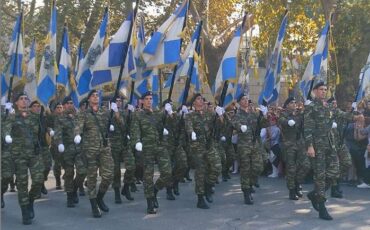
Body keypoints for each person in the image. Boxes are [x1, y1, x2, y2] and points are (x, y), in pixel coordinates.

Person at [304, 81, 363, 220]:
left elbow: (342, 114)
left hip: (330, 145)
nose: (324, 92)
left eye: (325, 89)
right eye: (321, 89)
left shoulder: (329, 106)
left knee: (334, 172)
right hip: (317, 147)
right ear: (315, 91)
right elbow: (307, 128)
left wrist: (355, 117)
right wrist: (310, 146)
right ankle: (322, 207)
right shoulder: (311, 108)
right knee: (320, 176)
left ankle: (315, 194)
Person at [3, 93, 44, 225]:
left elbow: (39, 134)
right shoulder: (12, 117)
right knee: (22, 185)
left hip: (33, 153)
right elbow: (5, 129)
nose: (24, 101)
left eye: (26, 99)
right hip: (19, 155)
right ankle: (25, 211)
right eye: (21, 99)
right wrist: (7, 136)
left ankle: (30, 201)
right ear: (16, 103)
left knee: (38, 181)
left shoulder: (34, 117)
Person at [131, 91, 173, 214]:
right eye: (147, 99)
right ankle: (150, 201)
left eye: (151, 98)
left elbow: (170, 124)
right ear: (142, 101)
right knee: (148, 176)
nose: (149, 101)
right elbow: (135, 130)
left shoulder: (158, 114)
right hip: (147, 148)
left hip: (159, 146)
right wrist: (137, 141)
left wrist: (169, 113)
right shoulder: (137, 115)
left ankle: (155, 190)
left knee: (167, 172)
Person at [74, 90, 114, 218]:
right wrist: (77, 135)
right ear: (89, 99)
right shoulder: (84, 113)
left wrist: (116, 112)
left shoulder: (105, 112)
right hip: (90, 149)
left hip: (105, 148)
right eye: (93, 96)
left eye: (97, 95)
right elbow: (78, 126)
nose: (96, 97)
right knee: (91, 177)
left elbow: (117, 121)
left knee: (108, 175)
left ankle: (99, 198)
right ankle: (93, 205)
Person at [185, 93, 222, 209]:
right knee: (200, 173)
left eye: (202, 99)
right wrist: (192, 133)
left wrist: (220, 115)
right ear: (194, 103)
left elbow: (219, 126)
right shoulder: (190, 116)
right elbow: (188, 127)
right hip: (197, 148)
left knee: (217, 167)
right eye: (198, 99)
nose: (201, 101)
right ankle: (200, 198)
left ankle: (209, 186)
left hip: (209, 145)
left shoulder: (209, 114)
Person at [231, 93, 267, 205]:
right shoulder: (237, 115)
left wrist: (264, 115)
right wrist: (239, 126)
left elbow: (263, 124)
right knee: (245, 170)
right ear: (239, 102)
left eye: (247, 99)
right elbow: (234, 123)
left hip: (255, 144)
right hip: (244, 145)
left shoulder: (254, 114)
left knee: (258, 166)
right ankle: (246, 192)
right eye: (243, 99)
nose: (246, 100)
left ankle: (251, 183)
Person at [54, 96, 87, 207]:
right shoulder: (60, 119)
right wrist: (60, 144)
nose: (70, 105)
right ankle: (69, 196)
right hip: (67, 150)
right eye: (67, 103)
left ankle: (74, 190)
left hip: (79, 150)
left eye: (71, 103)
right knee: (69, 174)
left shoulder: (78, 117)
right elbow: (58, 133)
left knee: (82, 172)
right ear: (63, 106)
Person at [278, 97, 310, 200]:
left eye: (295, 103)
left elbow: (308, 119)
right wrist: (288, 121)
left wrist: (306, 107)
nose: (294, 104)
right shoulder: (284, 114)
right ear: (287, 105)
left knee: (306, 165)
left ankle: (297, 183)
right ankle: (292, 191)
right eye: (291, 103)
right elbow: (281, 121)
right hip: (289, 145)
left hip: (300, 143)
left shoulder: (299, 114)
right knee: (291, 169)